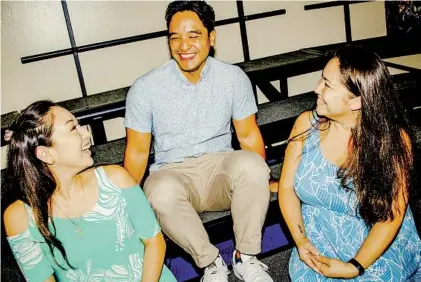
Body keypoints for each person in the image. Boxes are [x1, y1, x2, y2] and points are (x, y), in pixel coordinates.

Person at [124, 1, 274, 281]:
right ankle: (211, 262)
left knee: (252, 166)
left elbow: (249, 135)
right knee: (158, 190)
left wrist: (263, 178)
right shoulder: (145, 89)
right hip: (173, 173)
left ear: (211, 37)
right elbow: (137, 153)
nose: (184, 46)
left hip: (220, 170)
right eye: (175, 37)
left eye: (194, 35)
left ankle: (245, 257)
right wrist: (124, 205)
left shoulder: (232, 78)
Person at [278, 44, 421, 281]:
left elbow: (393, 214)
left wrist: (355, 266)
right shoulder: (306, 125)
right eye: (320, 79)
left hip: (374, 246)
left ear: (356, 101)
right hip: (319, 240)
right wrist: (301, 240)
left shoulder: (393, 141)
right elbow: (286, 188)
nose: (317, 89)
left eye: (327, 84)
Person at [3, 100, 177, 282]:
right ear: (45, 153)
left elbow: (154, 242)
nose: (86, 133)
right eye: (73, 129)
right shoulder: (20, 217)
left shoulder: (115, 180)